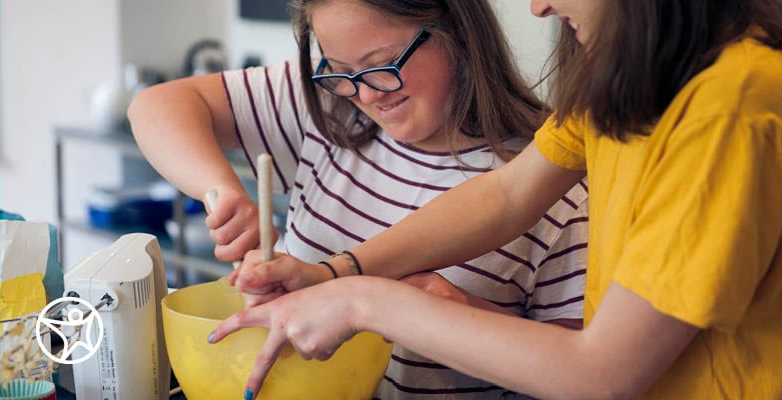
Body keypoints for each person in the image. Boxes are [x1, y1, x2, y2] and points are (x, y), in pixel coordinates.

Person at [210, 0, 782, 399]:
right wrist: (334, 274)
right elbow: (508, 194)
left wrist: (364, 302)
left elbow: (603, 375)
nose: (537, 8)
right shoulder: (637, 74)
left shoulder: (726, 112)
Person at [127, 0, 590, 399]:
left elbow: (583, 373)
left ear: (456, 29)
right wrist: (223, 192)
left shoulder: (561, 188)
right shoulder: (330, 106)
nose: (366, 93)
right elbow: (155, 107)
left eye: (384, 63)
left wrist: (457, 315)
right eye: (341, 69)